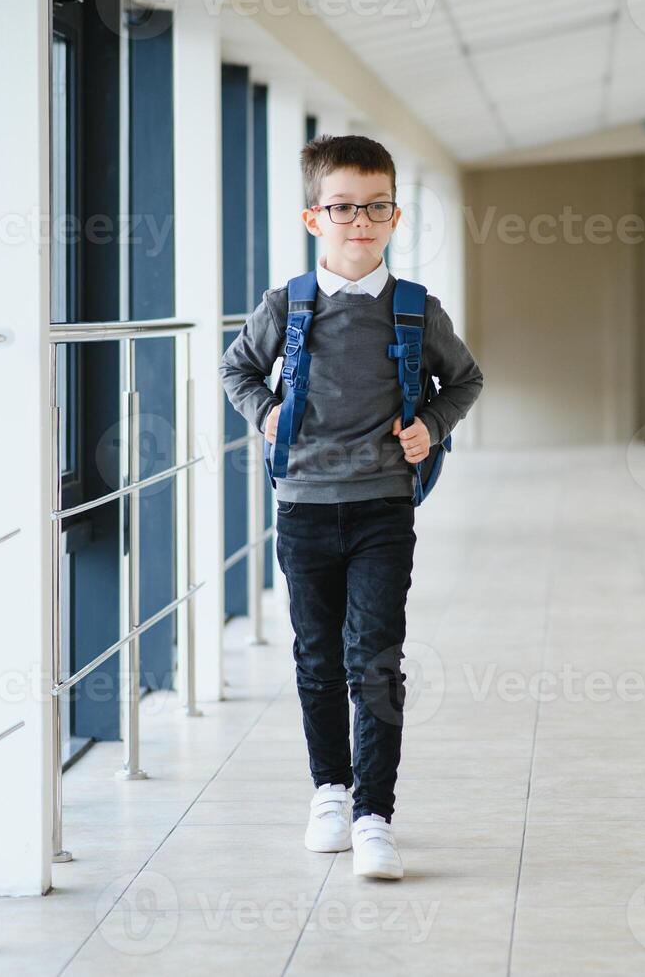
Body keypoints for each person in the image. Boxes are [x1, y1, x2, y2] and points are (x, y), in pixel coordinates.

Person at [218, 134, 484, 879]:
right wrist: (265, 412)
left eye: (374, 207)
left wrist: (429, 428)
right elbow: (237, 368)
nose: (358, 220)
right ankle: (328, 793)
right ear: (314, 219)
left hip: (381, 511)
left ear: (394, 215)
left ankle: (374, 814)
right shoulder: (288, 306)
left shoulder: (413, 310)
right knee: (315, 655)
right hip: (302, 508)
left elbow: (464, 381)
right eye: (341, 207)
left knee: (375, 658)